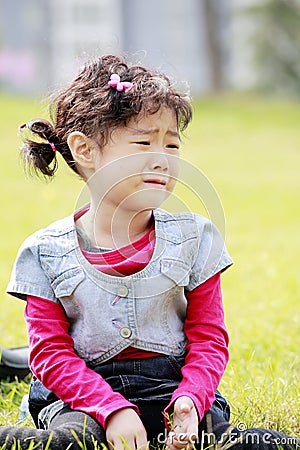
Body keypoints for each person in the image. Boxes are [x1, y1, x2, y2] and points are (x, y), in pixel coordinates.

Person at [1, 54, 298, 450]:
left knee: (241, 443)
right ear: (85, 150)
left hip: (171, 388)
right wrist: (111, 409)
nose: (162, 158)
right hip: (83, 397)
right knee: (73, 441)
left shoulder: (195, 238)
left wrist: (190, 402)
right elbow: (51, 354)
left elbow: (208, 338)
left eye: (172, 145)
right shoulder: (44, 252)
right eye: (143, 142)